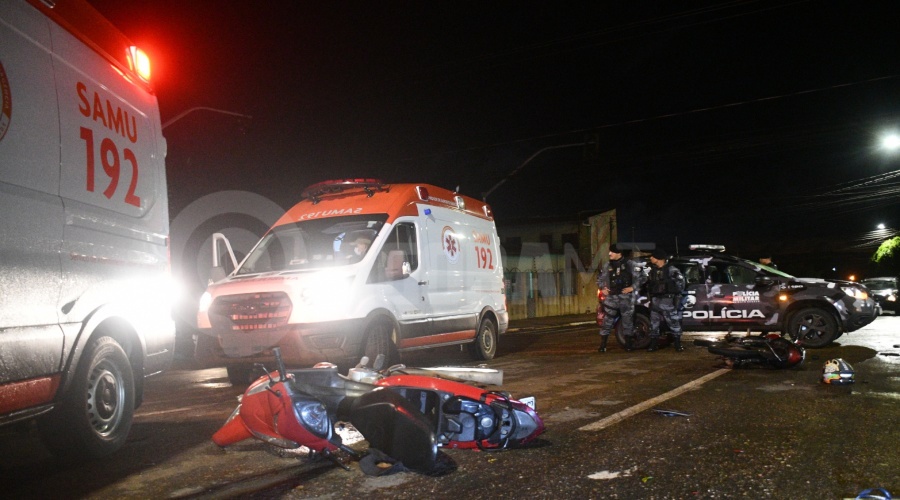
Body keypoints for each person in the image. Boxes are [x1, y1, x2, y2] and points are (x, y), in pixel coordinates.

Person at [596, 244, 641, 352]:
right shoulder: (607, 265)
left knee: (627, 321)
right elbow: (600, 279)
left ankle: (628, 344)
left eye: (612, 252)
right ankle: (603, 345)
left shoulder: (630, 264)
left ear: (619, 253)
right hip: (611, 298)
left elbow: (642, 277)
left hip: (625, 298)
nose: (609, 254)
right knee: (607, 321)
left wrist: (632, 287)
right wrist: (603, 288)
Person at [646, 248, 686, 352]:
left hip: (667, 300)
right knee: (654, 323)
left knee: (673, 322)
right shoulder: (652, 271)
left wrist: (674, 294)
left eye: (653, 256)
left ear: (659, 258)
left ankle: (677, 344)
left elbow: (681, 285)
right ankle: (653, 344)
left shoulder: (672, 270)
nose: (650, 258)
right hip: (655, 300)